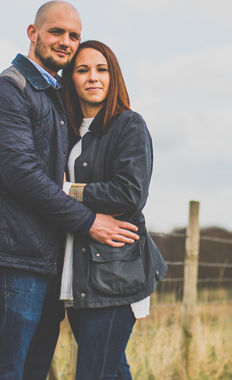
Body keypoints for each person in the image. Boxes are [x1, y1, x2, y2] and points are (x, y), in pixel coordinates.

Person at [0, 2, 141, 380]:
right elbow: (22, 176)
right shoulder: (7, 90)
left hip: (51, 262)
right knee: (5, 370)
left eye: (73, 35)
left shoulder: (55, 97)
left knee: (33, 371)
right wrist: (88, 222)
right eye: (56, 32)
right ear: (33, 34)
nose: (65, 42)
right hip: (14, 259)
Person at [58, 40, 168, 380]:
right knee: (113, 372)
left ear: (113, 76)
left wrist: (70, 191)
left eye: (101, 69)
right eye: (83, 70)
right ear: (71, 80)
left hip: (115, 276)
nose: (93, 77)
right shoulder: (68, 134)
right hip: (78, 276)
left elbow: (130, 193)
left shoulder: (128, 125)